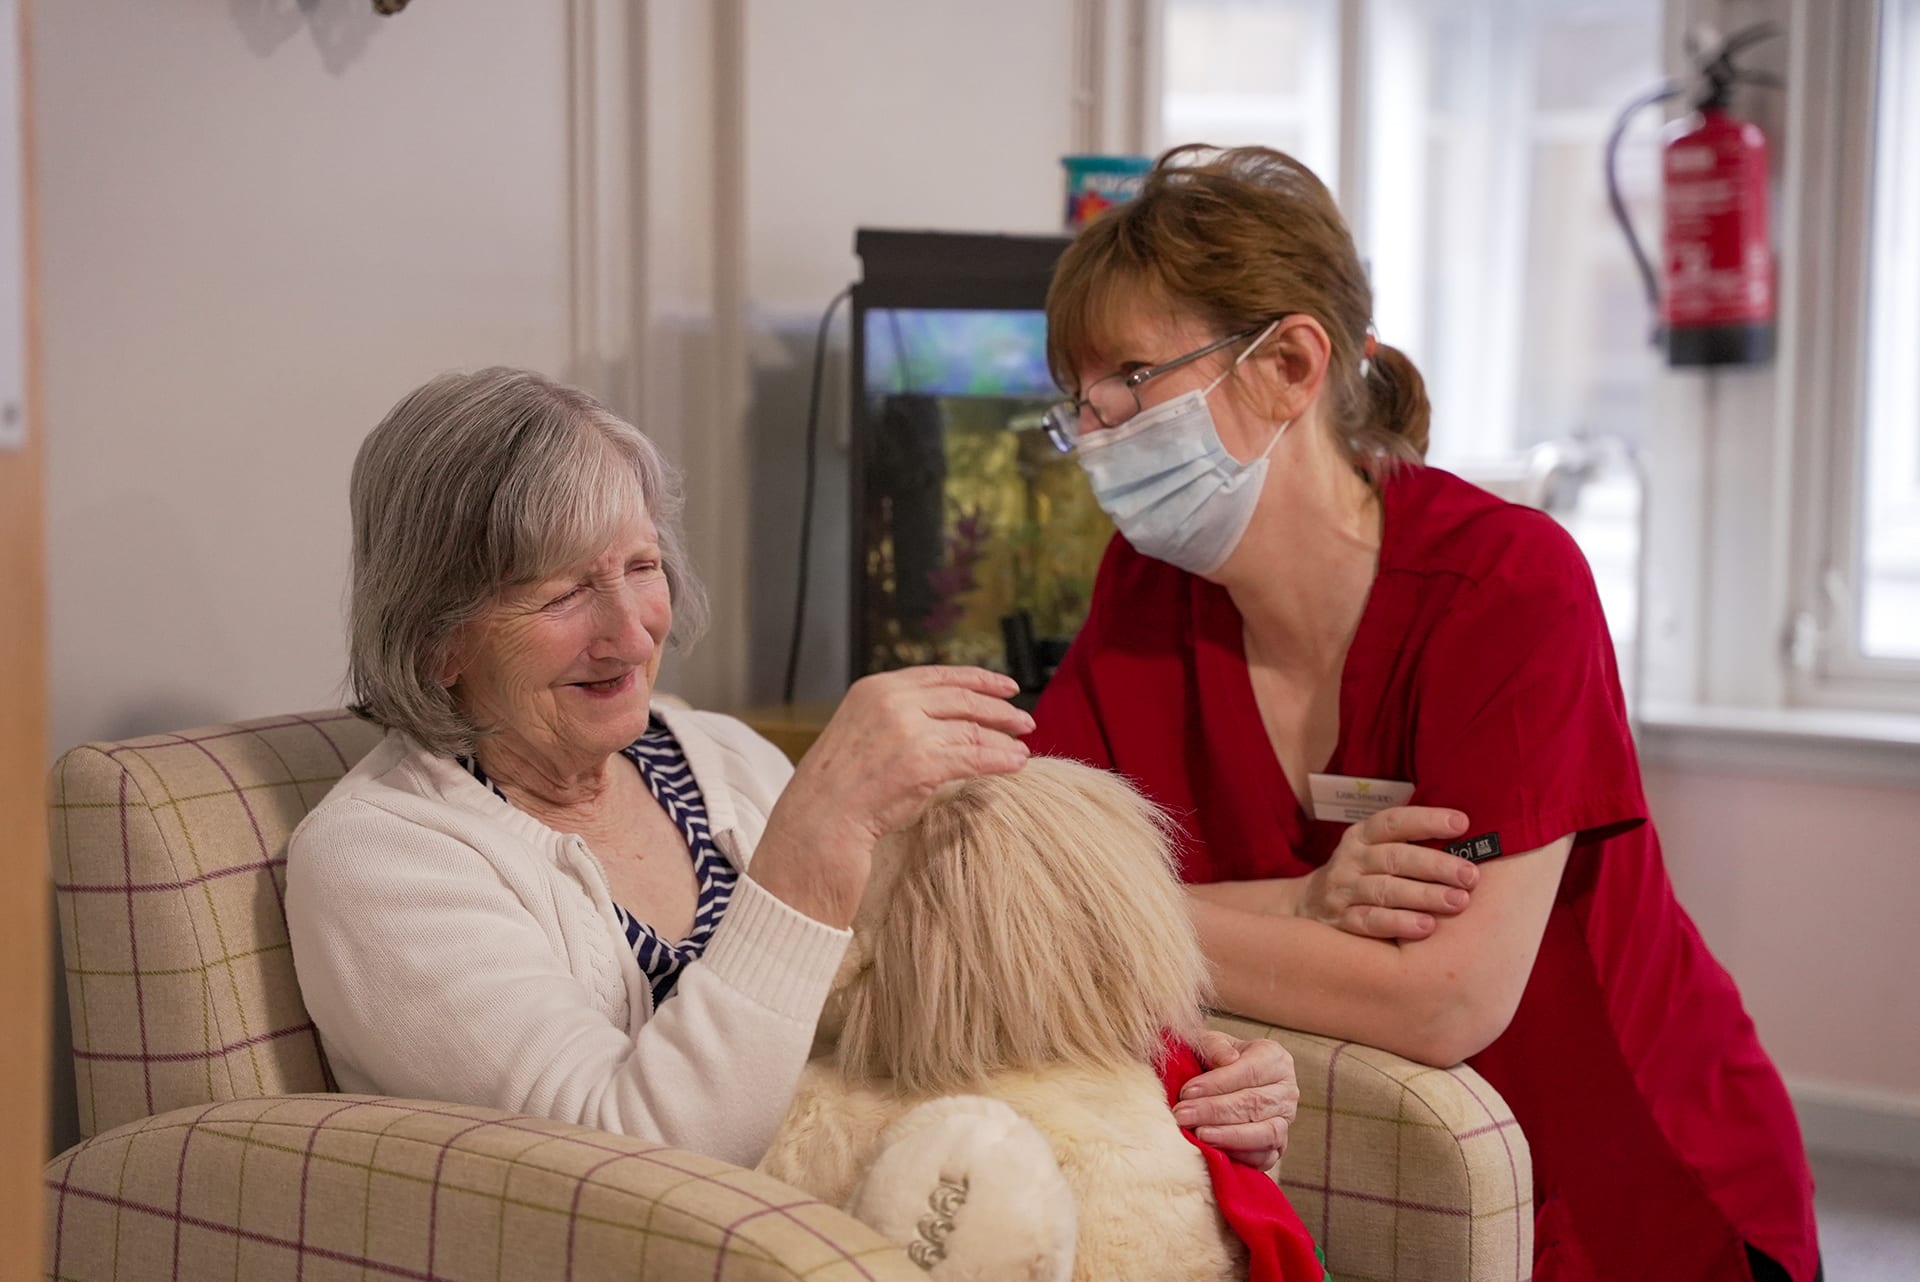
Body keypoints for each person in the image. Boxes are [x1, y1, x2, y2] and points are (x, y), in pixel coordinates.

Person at [1026, 146, 1820, 1282]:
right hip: (1358, 1191)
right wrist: (1301, 904)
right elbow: (1021, 880)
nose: (1096, 431)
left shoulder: (1507, 586)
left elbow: (1445, 996)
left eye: (1131, 381)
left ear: (1291, 364)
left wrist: (1116, 926)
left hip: (1630, 1188)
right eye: (1078, 399)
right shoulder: (1144, 594)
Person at [284, 366, 1295, 1176]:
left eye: (641, 567)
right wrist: (810, 847)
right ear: (437, 640)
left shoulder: (711, 756)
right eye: (560, 592)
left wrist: (1168, 1056)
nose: (631, 631)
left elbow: (932, 996)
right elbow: (627, 1169)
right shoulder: (384, 857)